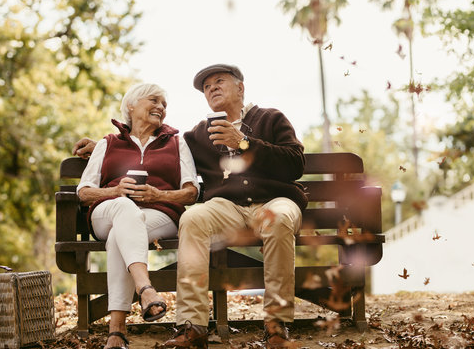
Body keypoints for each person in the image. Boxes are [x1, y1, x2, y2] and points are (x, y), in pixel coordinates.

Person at [73, 64, 307, 348]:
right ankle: (192, 326)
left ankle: (275, 324)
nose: (213, 89)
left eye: (220, 82)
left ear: (240, 88)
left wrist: (245, 144)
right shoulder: (199, 134)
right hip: (227, 206)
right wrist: (104, 145)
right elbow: (153, 144)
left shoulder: (271, 118)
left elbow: (295, 163)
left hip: (274, 201)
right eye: (207, 87)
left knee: (279, 218)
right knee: (193, 218)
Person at [75, 83, 199, 349]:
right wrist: (115, 190)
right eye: (154, 100)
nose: (161, 107)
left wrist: (159, 196)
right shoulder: (108, 143)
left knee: (120, 235)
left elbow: (191, 193)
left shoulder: (177, 143)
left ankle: (117, 330)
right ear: (131, 105)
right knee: (124, 208)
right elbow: (84, 193)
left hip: (160, 215)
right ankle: (146, 289)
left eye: (164, 104)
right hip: (107, 211)